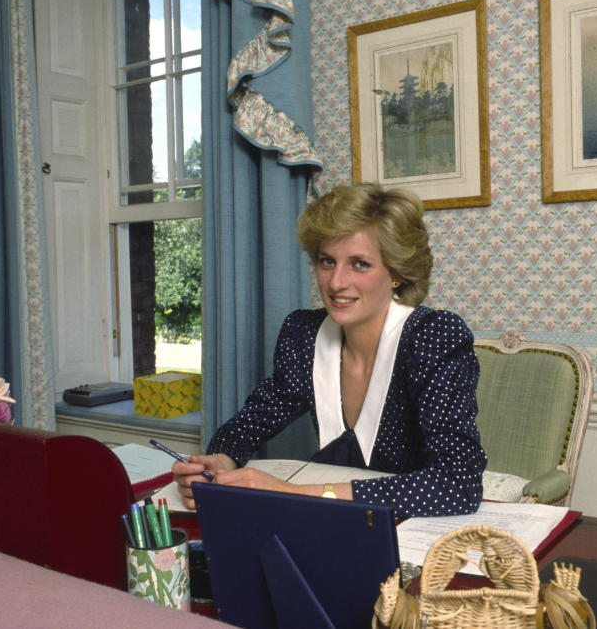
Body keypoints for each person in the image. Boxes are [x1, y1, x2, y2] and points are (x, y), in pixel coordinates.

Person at [172, 183, 486, 517]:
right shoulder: (304, 334)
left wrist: (295, 494)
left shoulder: (434, 336)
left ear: (396, 272)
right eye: (327, 261)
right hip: (333, 524)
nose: (336, 282)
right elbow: (246, 426)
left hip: (414, 528)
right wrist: (219, 462)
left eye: (359, 264)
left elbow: (458, 484)